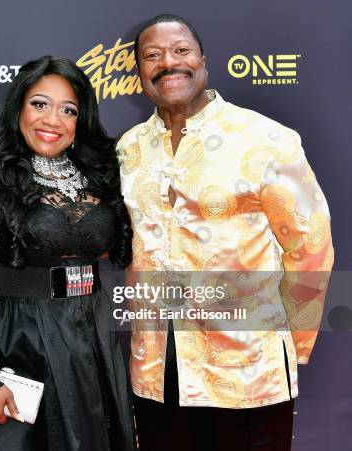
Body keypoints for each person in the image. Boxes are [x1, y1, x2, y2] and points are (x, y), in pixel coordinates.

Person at [117, 14, 334, 451]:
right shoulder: (129, 147)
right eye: (152, 55)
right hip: (158, 369)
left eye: (181, 51)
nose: (168, 63)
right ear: (139, 72)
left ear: (203, 61)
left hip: (247, 369)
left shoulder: (266, 139)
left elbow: (310, 245)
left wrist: (290, 344)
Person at [0, 55, 136, 450]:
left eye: (68, 110)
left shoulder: (100, 175)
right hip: (20, 342)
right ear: (18, 106)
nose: (53, 120)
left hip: (93, 338)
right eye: (40, 104)